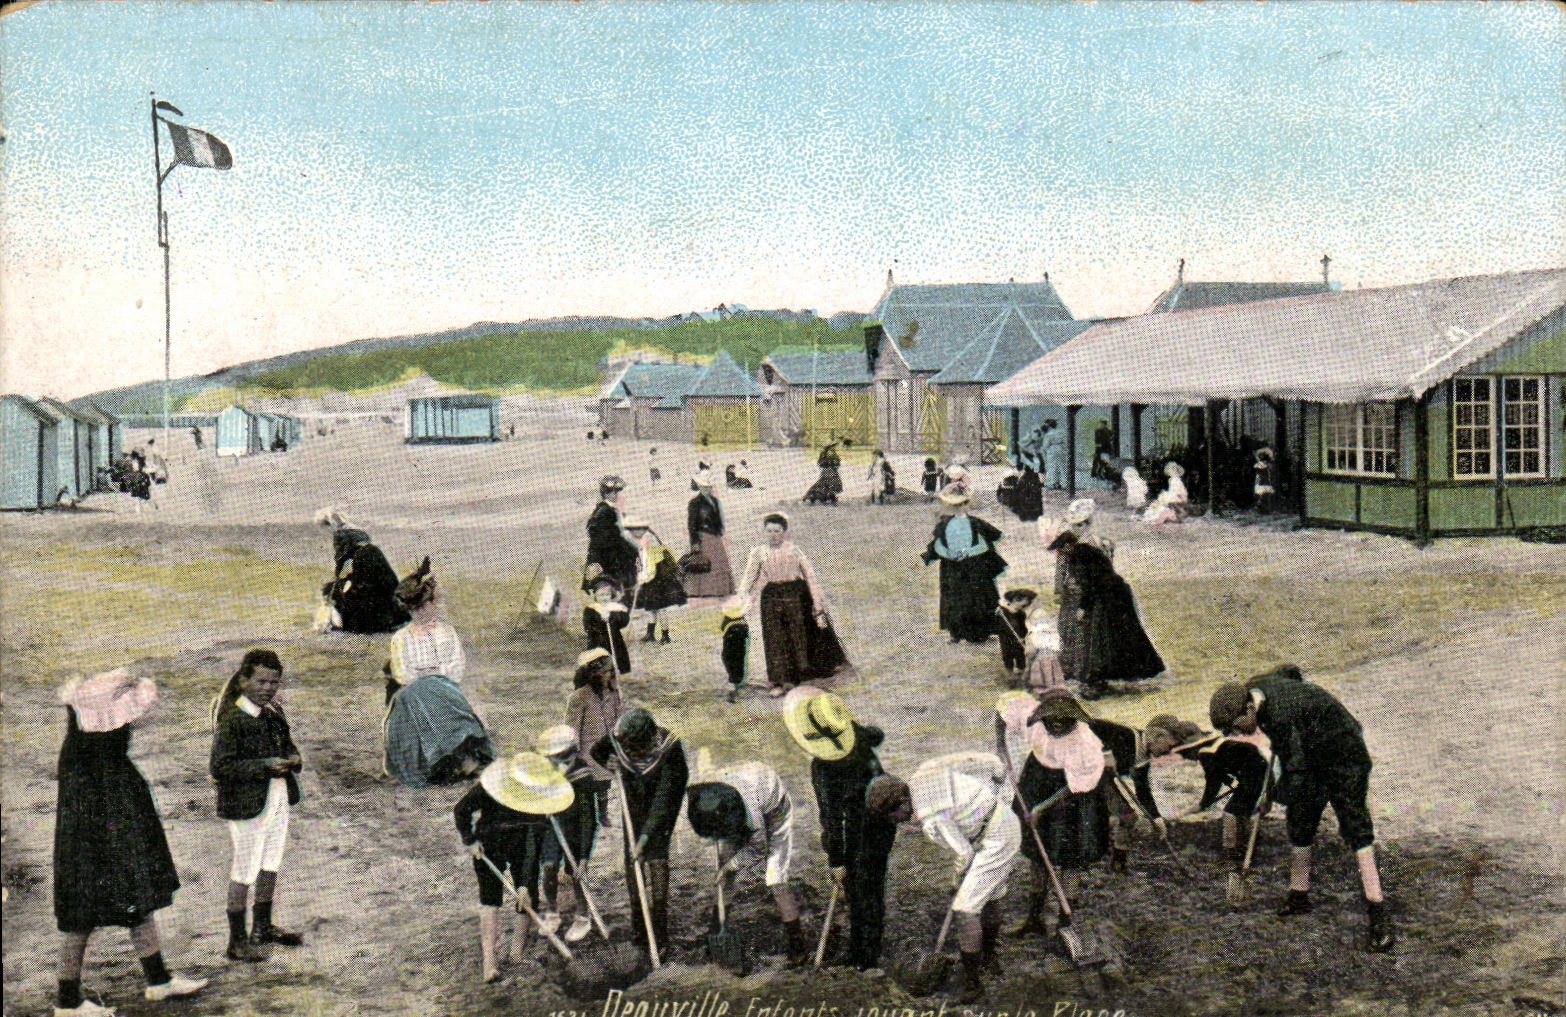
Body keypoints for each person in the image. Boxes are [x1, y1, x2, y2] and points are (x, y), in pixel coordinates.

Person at [53, 669, 207, 1015]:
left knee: (138, 898)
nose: (129, 724)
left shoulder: (87, 740)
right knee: (83, 912)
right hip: (97, 837)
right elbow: (95, 802)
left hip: (115, 828)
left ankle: (158, 980)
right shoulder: (89, 752)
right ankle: (67, 1002)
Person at [1209, 666, 1395, 952]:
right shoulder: (1256, 687)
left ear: (1249, 708)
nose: (1236, 733)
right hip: (1309, 749)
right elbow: (1290, 671)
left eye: (1236, 726)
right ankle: (1299, 896)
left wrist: (1273, 796)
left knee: (1354, 826)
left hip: (1344, 753)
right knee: (1300, 820)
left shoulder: (1281, 717)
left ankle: (1378, 911)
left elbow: (1295, 767)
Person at [866, 752, 1019, 1003]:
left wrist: (956, 881)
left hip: (995, 838)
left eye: (892, 816)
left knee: (965, 909)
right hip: (995, 820)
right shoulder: (924, 772)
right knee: (987, 896)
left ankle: (973, 983)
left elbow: (964, 854)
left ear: (903, 802)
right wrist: (997, 769)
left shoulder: (931, 820)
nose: (895, 823)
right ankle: (989, 958)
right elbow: (970, 759)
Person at [782, 688, 896, 971]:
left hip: (860, 826)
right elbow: (876, 733)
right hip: (884, 817)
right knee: (872, 887)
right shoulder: (856, 734)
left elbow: (832, 818)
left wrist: (837, 861)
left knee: (858, 890)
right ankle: (865, 949)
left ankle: (863, 958)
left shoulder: (823, 768)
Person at [209, 650, 305, 964]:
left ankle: (262, 927)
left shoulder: (274, 713)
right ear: (243, 680)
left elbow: (288, 744)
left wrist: (293, 758)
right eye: (261, 681)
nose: (268, 688)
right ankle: (236, 941)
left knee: (271, 862)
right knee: (245, 868)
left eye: (274, 682)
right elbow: (220, 767)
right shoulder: (233, 718)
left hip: (277, 796)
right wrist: (264, 765)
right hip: (247, 804)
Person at [996, 689, 1110, 939]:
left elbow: (1077, 784)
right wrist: (1000, 749)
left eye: (1064, 722)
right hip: (1037, 779)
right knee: (1038, 853)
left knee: (1070, 856)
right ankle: (1034, 918)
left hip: (1074, 795)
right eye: (1051, 721)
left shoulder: (1086, 744)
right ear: (1042, 717)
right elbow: (1003, 710)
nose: (1057, 726)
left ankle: (1064, 923)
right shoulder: (1030, 718)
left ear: (1075, 719)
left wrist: (1041, 808)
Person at [454, 752, 572, 981]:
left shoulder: (536, 801)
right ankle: (490, 962)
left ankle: (516, 954)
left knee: (528, 897)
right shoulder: (491, 785)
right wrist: (470, 840)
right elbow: (461, 810)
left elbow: (531, 847)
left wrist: (525, 886)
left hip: (520, 843)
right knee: (490, 898)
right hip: (488, 843)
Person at [686, 753, 809, 966]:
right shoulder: (709, 797)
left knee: (775, 877)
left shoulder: (752, 813)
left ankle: (797, 944)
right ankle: (717, 929)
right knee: (724, 872)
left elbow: (759, 848)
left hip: (774, 810)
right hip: (736, 804)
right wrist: (725, 865)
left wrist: (732, 864)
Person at [383, 560, 497, 786]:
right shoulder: (401, 638)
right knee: (422, 691)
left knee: (437, 691)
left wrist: (435, 677)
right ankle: (441, 761)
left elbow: (455, 667)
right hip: (411, 697)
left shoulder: (446, 633)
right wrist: (428, 679)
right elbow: (403, 674)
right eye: (425, 606)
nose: (430, 609)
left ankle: (459, 757)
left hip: (445, 690)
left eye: (431, 604)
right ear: (418, 607)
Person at [589, 709, 689, 953]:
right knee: (632, 859)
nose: (629, 751)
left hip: (664, 799)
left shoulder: (669, 748)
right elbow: (597, 750)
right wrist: (609, 763)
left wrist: (645, 837)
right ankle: (639, 925)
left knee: (656, 854)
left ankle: (660, 928)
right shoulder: (619, 735)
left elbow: (663, 802)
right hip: (632, 794)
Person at [739, 513, 851, 697]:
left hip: (794, 595)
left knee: (796, 636)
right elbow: (750, 578)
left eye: (777, 531)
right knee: (774, 639)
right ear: (764, 531)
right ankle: (779, 681)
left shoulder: (794, 550)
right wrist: (742, 600)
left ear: (784, 532)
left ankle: (797, 679)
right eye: (769, 531)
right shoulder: (758, 552)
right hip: (771, 597)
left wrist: (817, 604)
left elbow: (810, 577)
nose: (773, 535)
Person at [1048, 529, 1163, 699]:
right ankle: (1102, 679)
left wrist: (1083, 607)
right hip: (1116, 595)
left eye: (1060, 549)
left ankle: (1097, 682)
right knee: (1117, 638)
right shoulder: (1088, 551)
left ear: (1067, 545)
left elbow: (1089, 584)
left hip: (1108, 598)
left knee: (1101, 640)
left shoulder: (1078, 557)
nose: (1060, 553)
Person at [536, 725, 601, 945]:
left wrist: (584, 857)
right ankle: (552, 912)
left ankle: (583, 915)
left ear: (571, 754)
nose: (554, 764)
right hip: (553, 825)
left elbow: (587, 819)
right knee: (548, 867)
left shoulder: (583, 776)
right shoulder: (545, 775)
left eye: (559, 759)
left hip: (575, 828)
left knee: (576, 872)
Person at [921, 484, 1008, 644]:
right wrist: (949, 553)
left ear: (967, 504)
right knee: (954, 597)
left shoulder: (975, 523)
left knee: (975, 598)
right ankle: (956, 632)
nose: (958, 508)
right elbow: (938, 545)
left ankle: (978, 632)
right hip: (953, 568)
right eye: (954, 505)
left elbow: (987, 543)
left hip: (973, 567)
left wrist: (966, 552)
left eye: (961, 504)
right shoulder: (945, 525)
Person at [319, 512, 409, 635]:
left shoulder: (347, 576)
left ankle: (340, 524)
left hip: (367, 619)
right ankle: (340, 523)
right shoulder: (370, 559)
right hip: (383, 618)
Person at [625, 520, 687, 644]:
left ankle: (665, 635)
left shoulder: (649, 542)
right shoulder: (647, 541)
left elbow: (651, 568)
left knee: (660, 609)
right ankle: (650, 633)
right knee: (651, 608)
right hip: (652, 582)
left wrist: (642, 577)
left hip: (657, 582)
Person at [583, 475, 638, 594]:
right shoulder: (606, 512)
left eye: (618, 492)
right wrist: (634, 551)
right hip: (610, 560)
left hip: (607, 557)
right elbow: (614, 538)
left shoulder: (604, 510)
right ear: (607, 493)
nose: (618, 495)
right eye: (615, 492)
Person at [686, 469, 736, 598]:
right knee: (704, 563)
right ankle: (704, 590)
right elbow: (692, 525)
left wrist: (719, 531)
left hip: (714, 537)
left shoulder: (715, 501)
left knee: (719, 563)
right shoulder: (694, 503)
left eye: (708, 486)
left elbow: (719, 518)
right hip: (703, 537)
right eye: (704, 486)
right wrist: (695, 542)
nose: (707, 489)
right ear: (699, 486)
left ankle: (720, 589)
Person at [582, 573, 632, 675]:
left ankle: (615, 679)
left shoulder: (615, 607)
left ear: (611, 594)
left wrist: (612, 616)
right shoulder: (591, 609)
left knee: (616, 664)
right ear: (595, 595)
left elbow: (624, 622)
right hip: (597, 642)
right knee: (599, 667)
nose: (604, 598)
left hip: (614, 640)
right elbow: (587, 627)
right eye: (601, 595)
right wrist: (601, 619)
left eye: (607, 595)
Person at [1023, 608, 1068, 694]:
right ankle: (1039, 684)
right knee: (1038, 660)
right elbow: (1032, 639)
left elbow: (1055, 637)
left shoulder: (1052, 628)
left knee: (1048, 658)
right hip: (1038, 646)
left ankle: (1052, 684)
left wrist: (1054, 646)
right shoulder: (1034, 630)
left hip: (1050, 646)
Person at [995, 587, 1036, 677]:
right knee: (1007, 654)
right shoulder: (1002, 613)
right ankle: (1009, 672)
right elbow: (1001, 628)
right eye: (1023, 605)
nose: (1025, 607)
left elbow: (1024, 627)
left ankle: (1021, 670)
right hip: (1006, 639)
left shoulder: (1021, 614)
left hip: (1020, 638)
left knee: (1020, 653)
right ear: (1015, 600)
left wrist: (1024, 636)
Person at [718, 597, 750, 703]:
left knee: (733, 655)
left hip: (734, 623)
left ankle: (735, 681)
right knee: (733, 655)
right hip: (733, 619)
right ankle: (735, 680)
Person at [1143, 461, 1190, 526]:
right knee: (1160, 500)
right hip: (1175, 497)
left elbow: (1178, 493)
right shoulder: (1172, 479)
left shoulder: (1176, 480)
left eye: (1173, 470)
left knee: (1163, 503)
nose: (1171, 472)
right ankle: (1154, 515)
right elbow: (1172, 492)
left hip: (1179, 498)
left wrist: (1167, 497)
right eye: (1170, 470)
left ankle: (1161, 516)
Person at [1040, 419, 1067, 490]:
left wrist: (1044, 454)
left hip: (1052, 450)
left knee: (1053, 467)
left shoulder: (1048, 434)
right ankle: (1065, 483)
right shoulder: (1061, 432)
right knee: (1062, 466)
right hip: (1061, 449)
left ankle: (1055, 483)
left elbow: (1045, 445)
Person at [1253, 447, 1277, 514]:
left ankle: (1266, 509)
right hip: (1263, 482)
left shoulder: (1266, 464)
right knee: (1263, 496)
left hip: (1264, 481)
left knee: (1264, 496)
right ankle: (1264, 509)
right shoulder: (1263, 464)